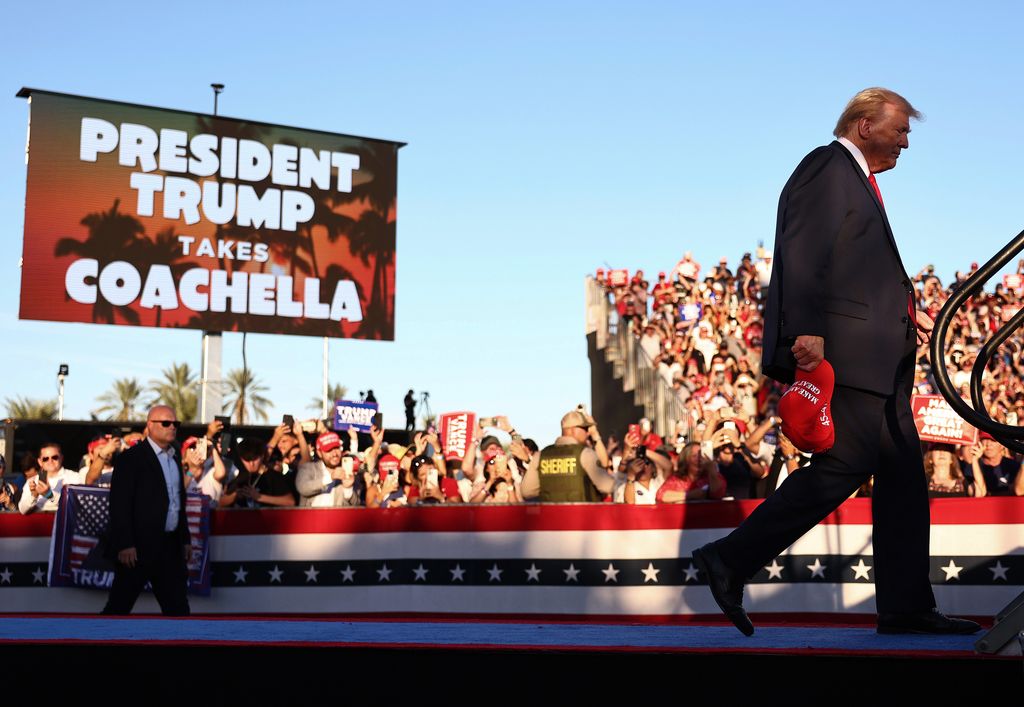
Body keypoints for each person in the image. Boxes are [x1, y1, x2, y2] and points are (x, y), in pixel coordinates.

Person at [693, 88, 979, 636]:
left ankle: (906, 605)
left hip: (880, 357)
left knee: (900, 481)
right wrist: (807, 332)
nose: (906, 141)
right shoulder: (827, 166)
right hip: (848, 357)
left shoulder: (858, 184)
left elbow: (855, 267)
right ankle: (730, 558)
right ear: (864, 125)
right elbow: (804, 251)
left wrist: (904, 313)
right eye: (900, 129)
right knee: (844, 468)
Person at [102, 405, 190, 616]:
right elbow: (120, 503)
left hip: (169, 547)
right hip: (138, 548)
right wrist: (125, 544)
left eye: (175, 424)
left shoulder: (175, 457)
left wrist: (185, 538)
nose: (172, 427)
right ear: (150, 425)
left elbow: (178, 501)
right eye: (166, 423)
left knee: (178, 609)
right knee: (118, 607)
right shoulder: (131, 458)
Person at [520, 409, 616, 502]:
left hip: (551, 517)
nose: (588, 433)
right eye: (585, 429)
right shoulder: (585, 454)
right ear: (573, 430)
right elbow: (608, 486)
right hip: (581, 516)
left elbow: (526, 492)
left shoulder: (541, 455)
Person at [18, 443, 84, 514]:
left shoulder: (74, 477)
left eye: (54, 457)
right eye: (45, 459)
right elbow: (22, 510)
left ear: (61, 458)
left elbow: (77, 505)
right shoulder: (32, 481)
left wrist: (49, 495)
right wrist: (34, 496)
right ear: (40, 462)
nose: (50, 461)